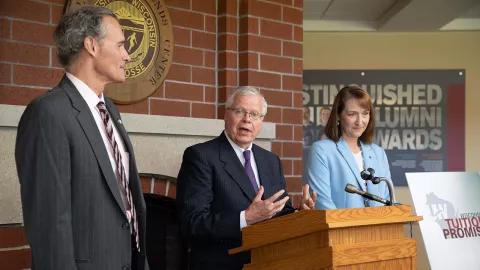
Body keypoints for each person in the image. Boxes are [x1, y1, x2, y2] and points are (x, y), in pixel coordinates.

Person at [15, 6, 149, 270]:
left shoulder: (109, 109)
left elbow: (126, 204)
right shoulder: (48, 113)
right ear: (91, 46)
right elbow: (49, 226)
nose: (128, 55)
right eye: (121, 45)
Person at [177, 86, 317, 270]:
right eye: (240, 111)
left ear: (261, 121)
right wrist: (246, 218)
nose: (247, 119)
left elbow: (279, 213)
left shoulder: (271, 161)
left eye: (254, 114)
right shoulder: (200, 156)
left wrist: (299, 215)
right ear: (226, 115)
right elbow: (191, 223)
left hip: (267, 262)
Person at [307, 85, 394, 210]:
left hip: (378, 228)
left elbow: (389, 200)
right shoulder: (322, 150)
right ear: (338, 116)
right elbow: (323, 203)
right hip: (341, 228)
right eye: (352, 114)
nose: (360, 121)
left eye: (365, 114)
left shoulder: (378, 153)